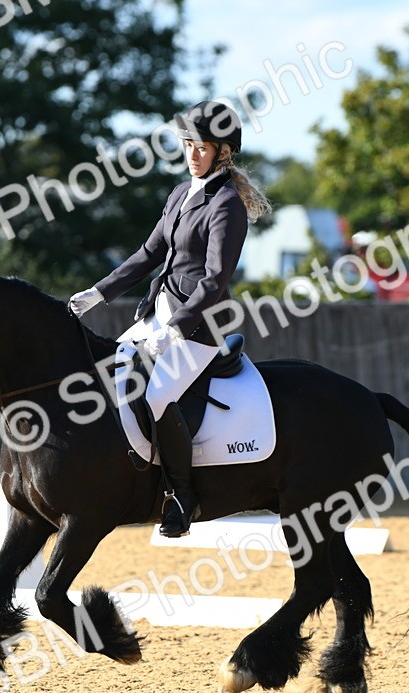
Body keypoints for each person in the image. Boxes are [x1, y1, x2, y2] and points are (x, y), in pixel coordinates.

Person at [68, 100, 271, 536]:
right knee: (114, 373)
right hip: (157, 311)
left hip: (201, 326)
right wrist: (99, 293)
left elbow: (215, 280)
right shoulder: (181, 193)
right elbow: (149, 254)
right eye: (188, 145)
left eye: (201, 147)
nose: (192, 154)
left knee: (157, 396)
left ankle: (183, 497)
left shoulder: (228, 205)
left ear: (224, 152)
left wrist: (177, 328)